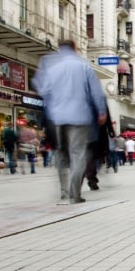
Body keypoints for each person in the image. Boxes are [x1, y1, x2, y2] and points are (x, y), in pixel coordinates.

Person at [32, 39, 108, 204]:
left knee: (60, 154)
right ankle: (75, 194)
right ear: (75, 48)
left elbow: (42, 89)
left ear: (60, 49)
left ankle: (64, 191)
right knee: (78, 154)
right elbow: (96, 92)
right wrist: (101, 112)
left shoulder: (52, 68)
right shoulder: (84, 65)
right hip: (79, 117)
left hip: (57, 117)